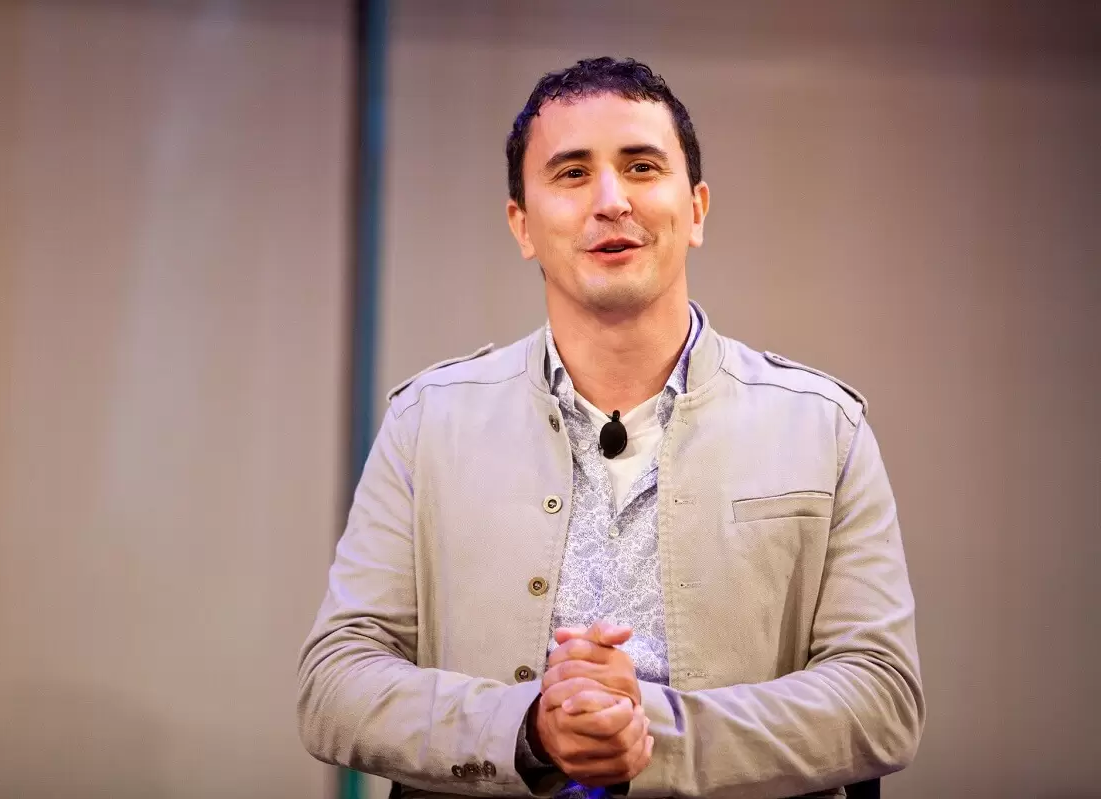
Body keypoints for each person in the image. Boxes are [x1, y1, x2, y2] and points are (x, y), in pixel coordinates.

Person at [297, 56, 924, 799]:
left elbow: (883, 698)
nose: (611, 200)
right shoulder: (427, 423)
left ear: (696, 210)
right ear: (522, 225)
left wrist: (651, 732)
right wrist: (529, 729)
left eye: (641, 167)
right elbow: (335, 684)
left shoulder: (824, 428)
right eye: (572, 173)